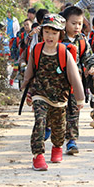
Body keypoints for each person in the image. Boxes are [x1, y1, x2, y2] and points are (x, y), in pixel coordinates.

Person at [20, 14, 85, 171]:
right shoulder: (36, 50)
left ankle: (57, 147)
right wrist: (26, 89)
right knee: (40, 121)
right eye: (47, 32)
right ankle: (38, 155)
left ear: (60, 35)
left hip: (59, 98)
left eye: (54, 33)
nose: (50, 36)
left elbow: (74, 77)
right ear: (42, 33)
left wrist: (79, 99)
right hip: (39, 94)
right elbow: (30, 71)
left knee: (58, 128)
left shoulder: (64, 52)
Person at [61, 6, 94, 155]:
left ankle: (71, 141)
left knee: (73, 112)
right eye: (73, 23)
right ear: (64, 23)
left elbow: (90, 57)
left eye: (80, 24)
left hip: (74, 84)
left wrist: (93, 67)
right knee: (56, 112)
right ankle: (49, 129)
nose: (77, 27)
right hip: (55, 83)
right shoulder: (56, 37)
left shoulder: (82, 40)